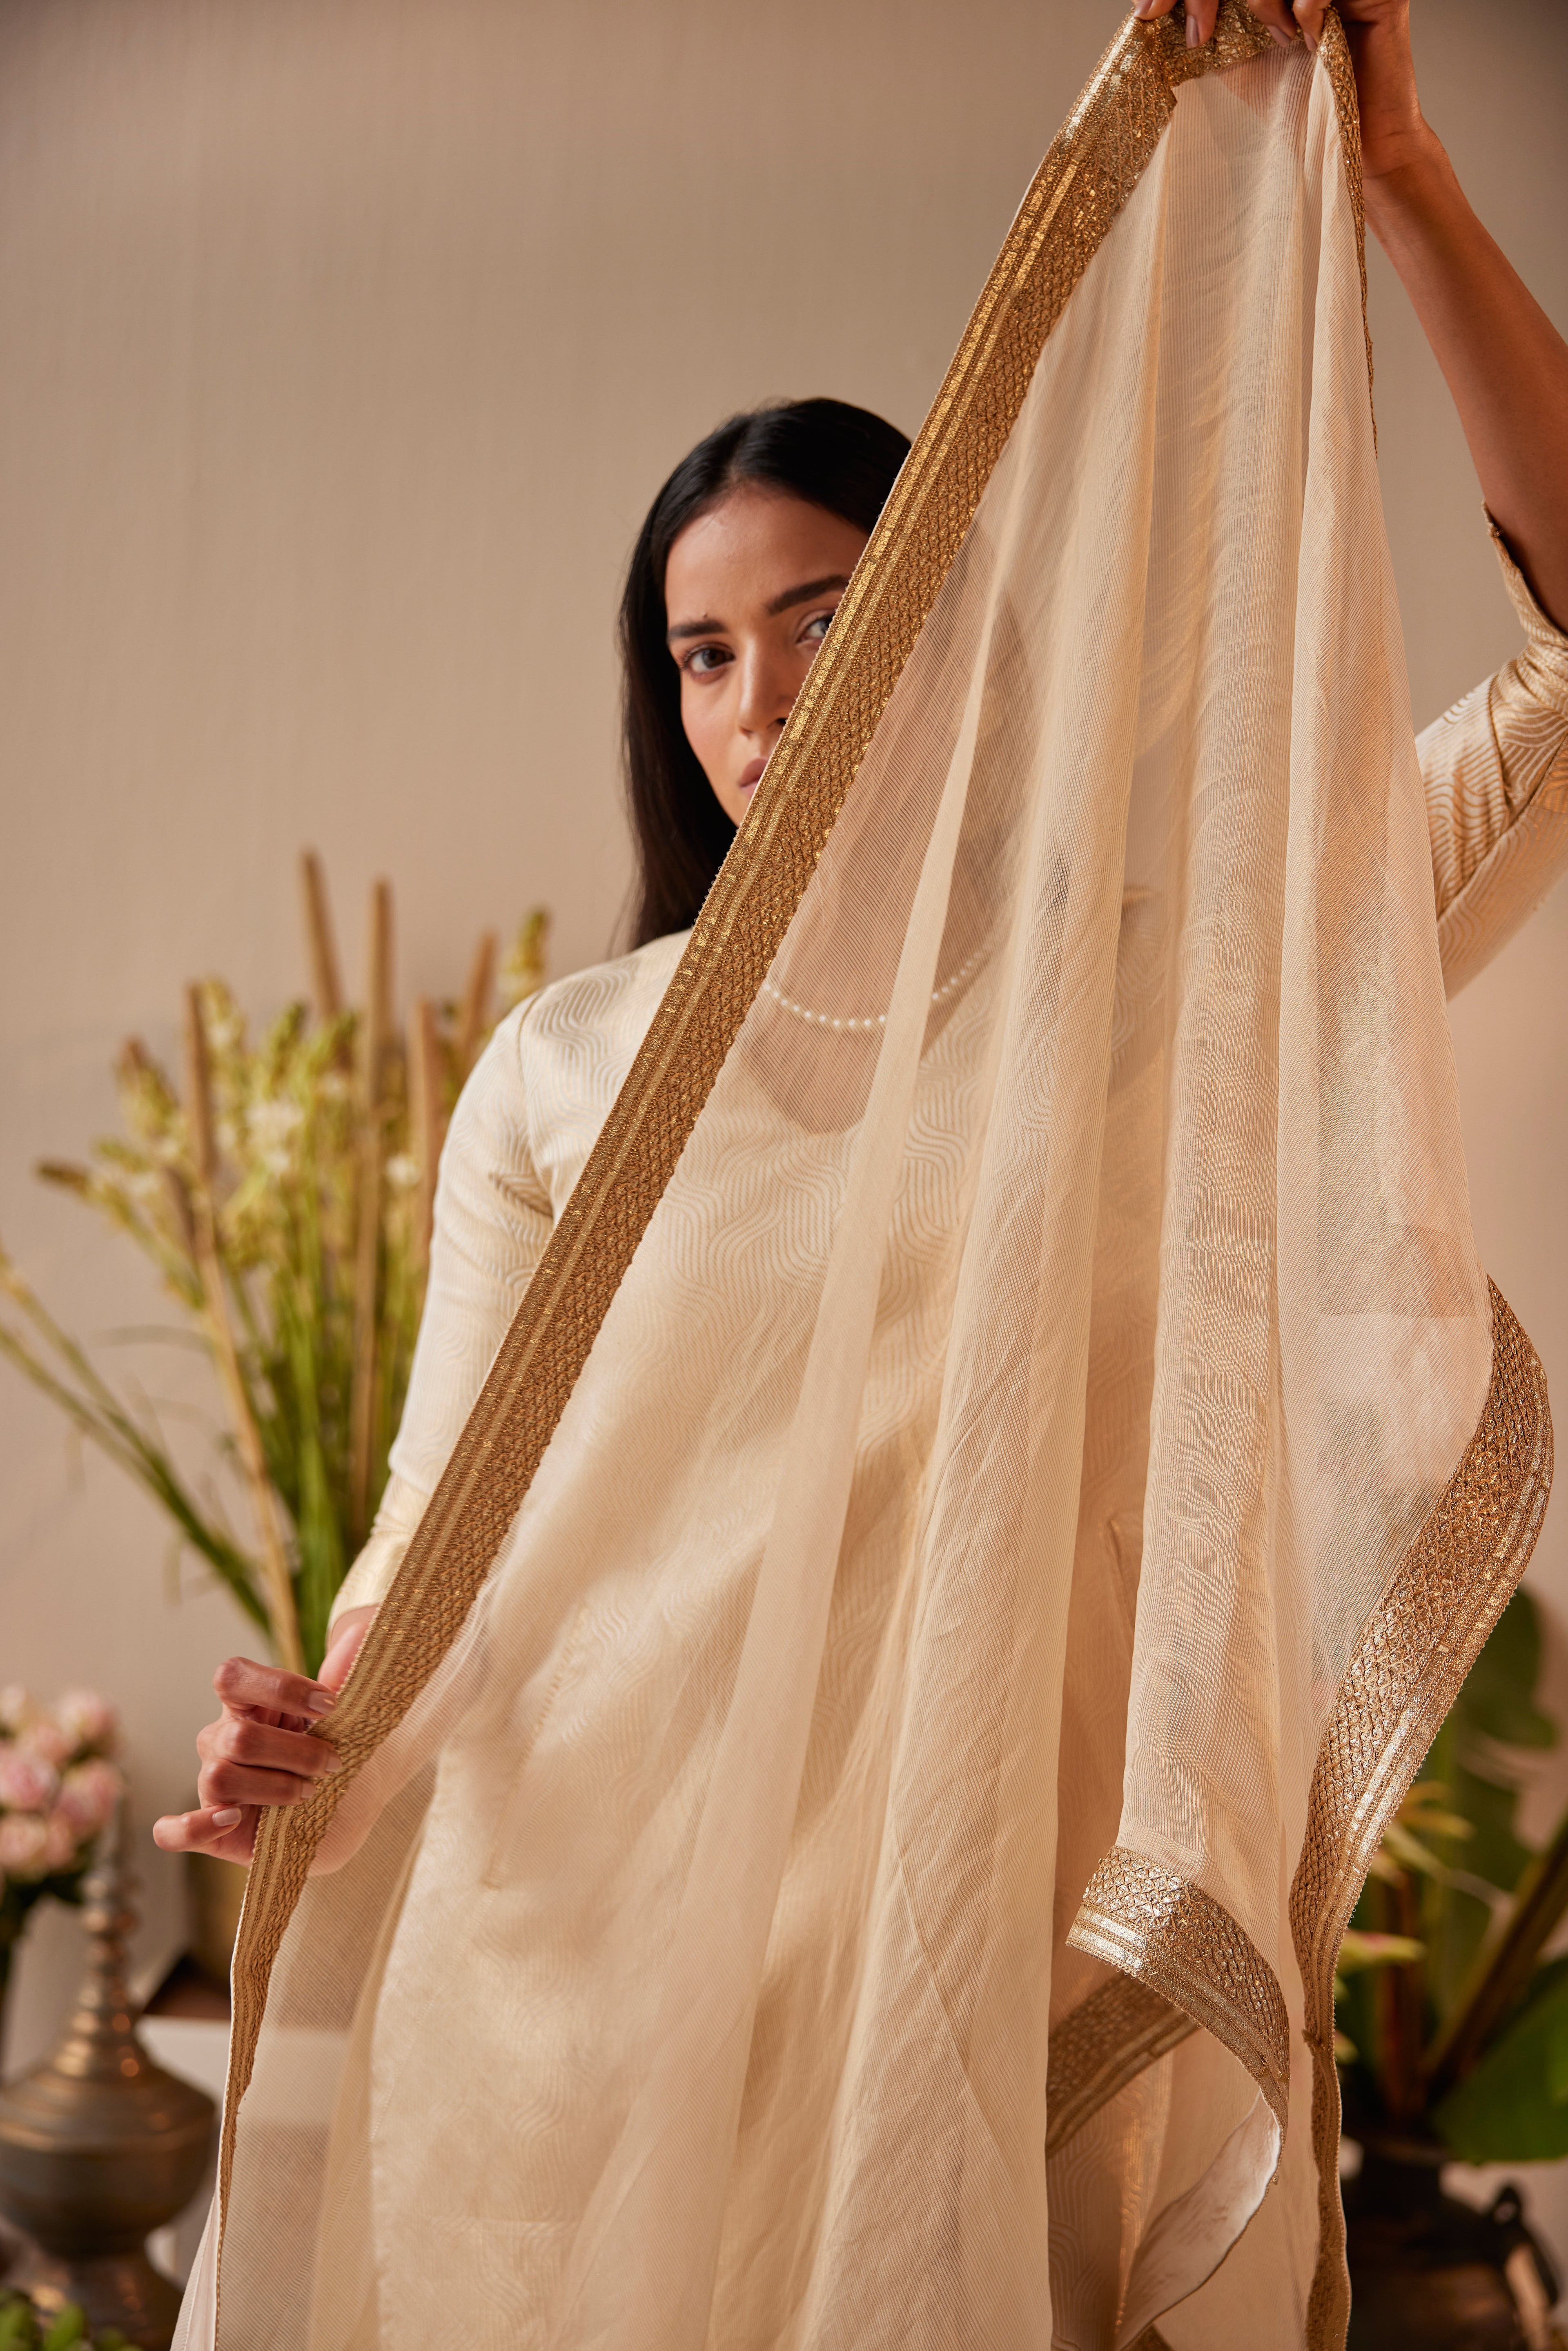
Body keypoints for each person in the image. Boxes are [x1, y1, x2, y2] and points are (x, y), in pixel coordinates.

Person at [154, 0, 1568, 1870]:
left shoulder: (1167, 988)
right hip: (608, 1932)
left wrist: (1403, 180)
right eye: (706, 656)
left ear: (961, 636)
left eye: (824, 619)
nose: (760, 702)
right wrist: (302, 1748)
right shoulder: (569, 1071)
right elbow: (445, 1543)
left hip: (1004, 1926)